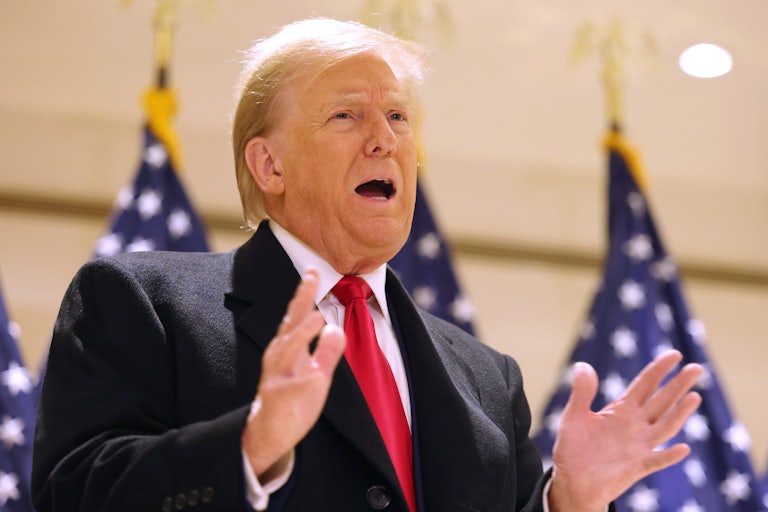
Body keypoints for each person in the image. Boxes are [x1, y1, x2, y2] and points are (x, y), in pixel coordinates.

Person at [32, 18, 703, 512]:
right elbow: (75, 493)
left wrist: (570, 503)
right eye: (347, 115)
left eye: (398, 117)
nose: (385, 139)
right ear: (270, 165)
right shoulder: (142, 302)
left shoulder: (485, 378)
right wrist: (252, 444)